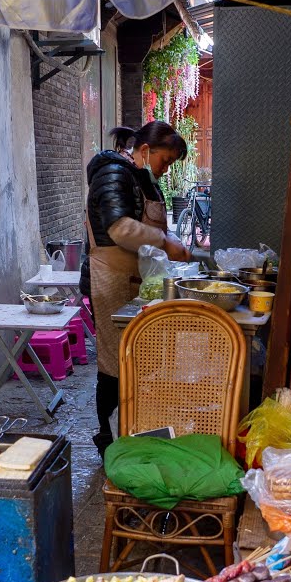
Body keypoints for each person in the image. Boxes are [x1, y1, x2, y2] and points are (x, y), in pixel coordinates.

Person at [81, 122, 191, 455]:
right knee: (115, 363)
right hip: (112, 280)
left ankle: (139, 431)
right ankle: (108, 437)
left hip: (138, 282)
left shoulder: (139, 177)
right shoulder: (113, 173)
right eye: (165, 160)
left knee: (142, 360)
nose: (165, 168)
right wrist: (164, 242)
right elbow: (119, 227)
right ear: (145, 150)